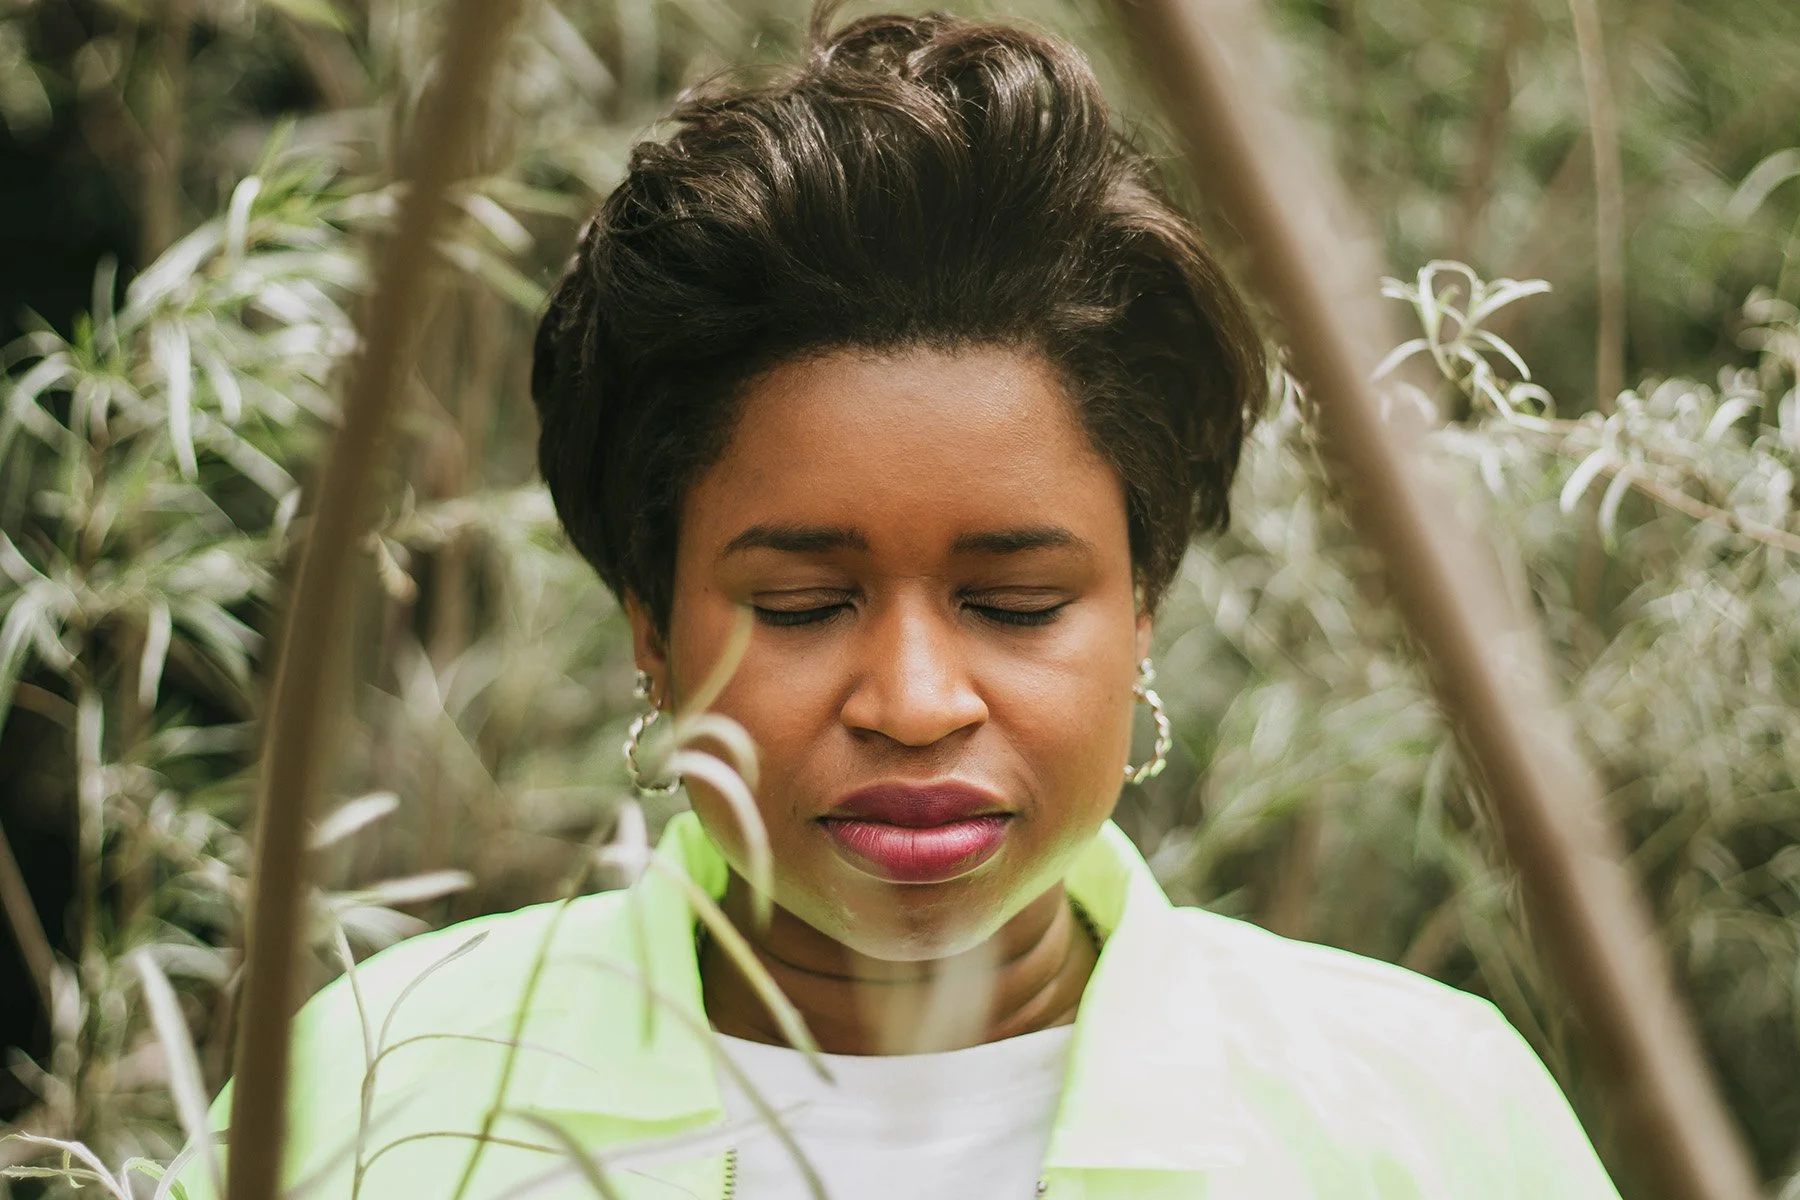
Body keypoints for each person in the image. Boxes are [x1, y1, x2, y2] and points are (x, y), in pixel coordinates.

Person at [184, 5, 1622, 1198]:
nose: (918, 703)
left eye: (1015, 600)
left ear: (1144, 607)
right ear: (650, 627)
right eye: (803, 604)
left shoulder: (1420, 1117)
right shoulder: (380, 1094)